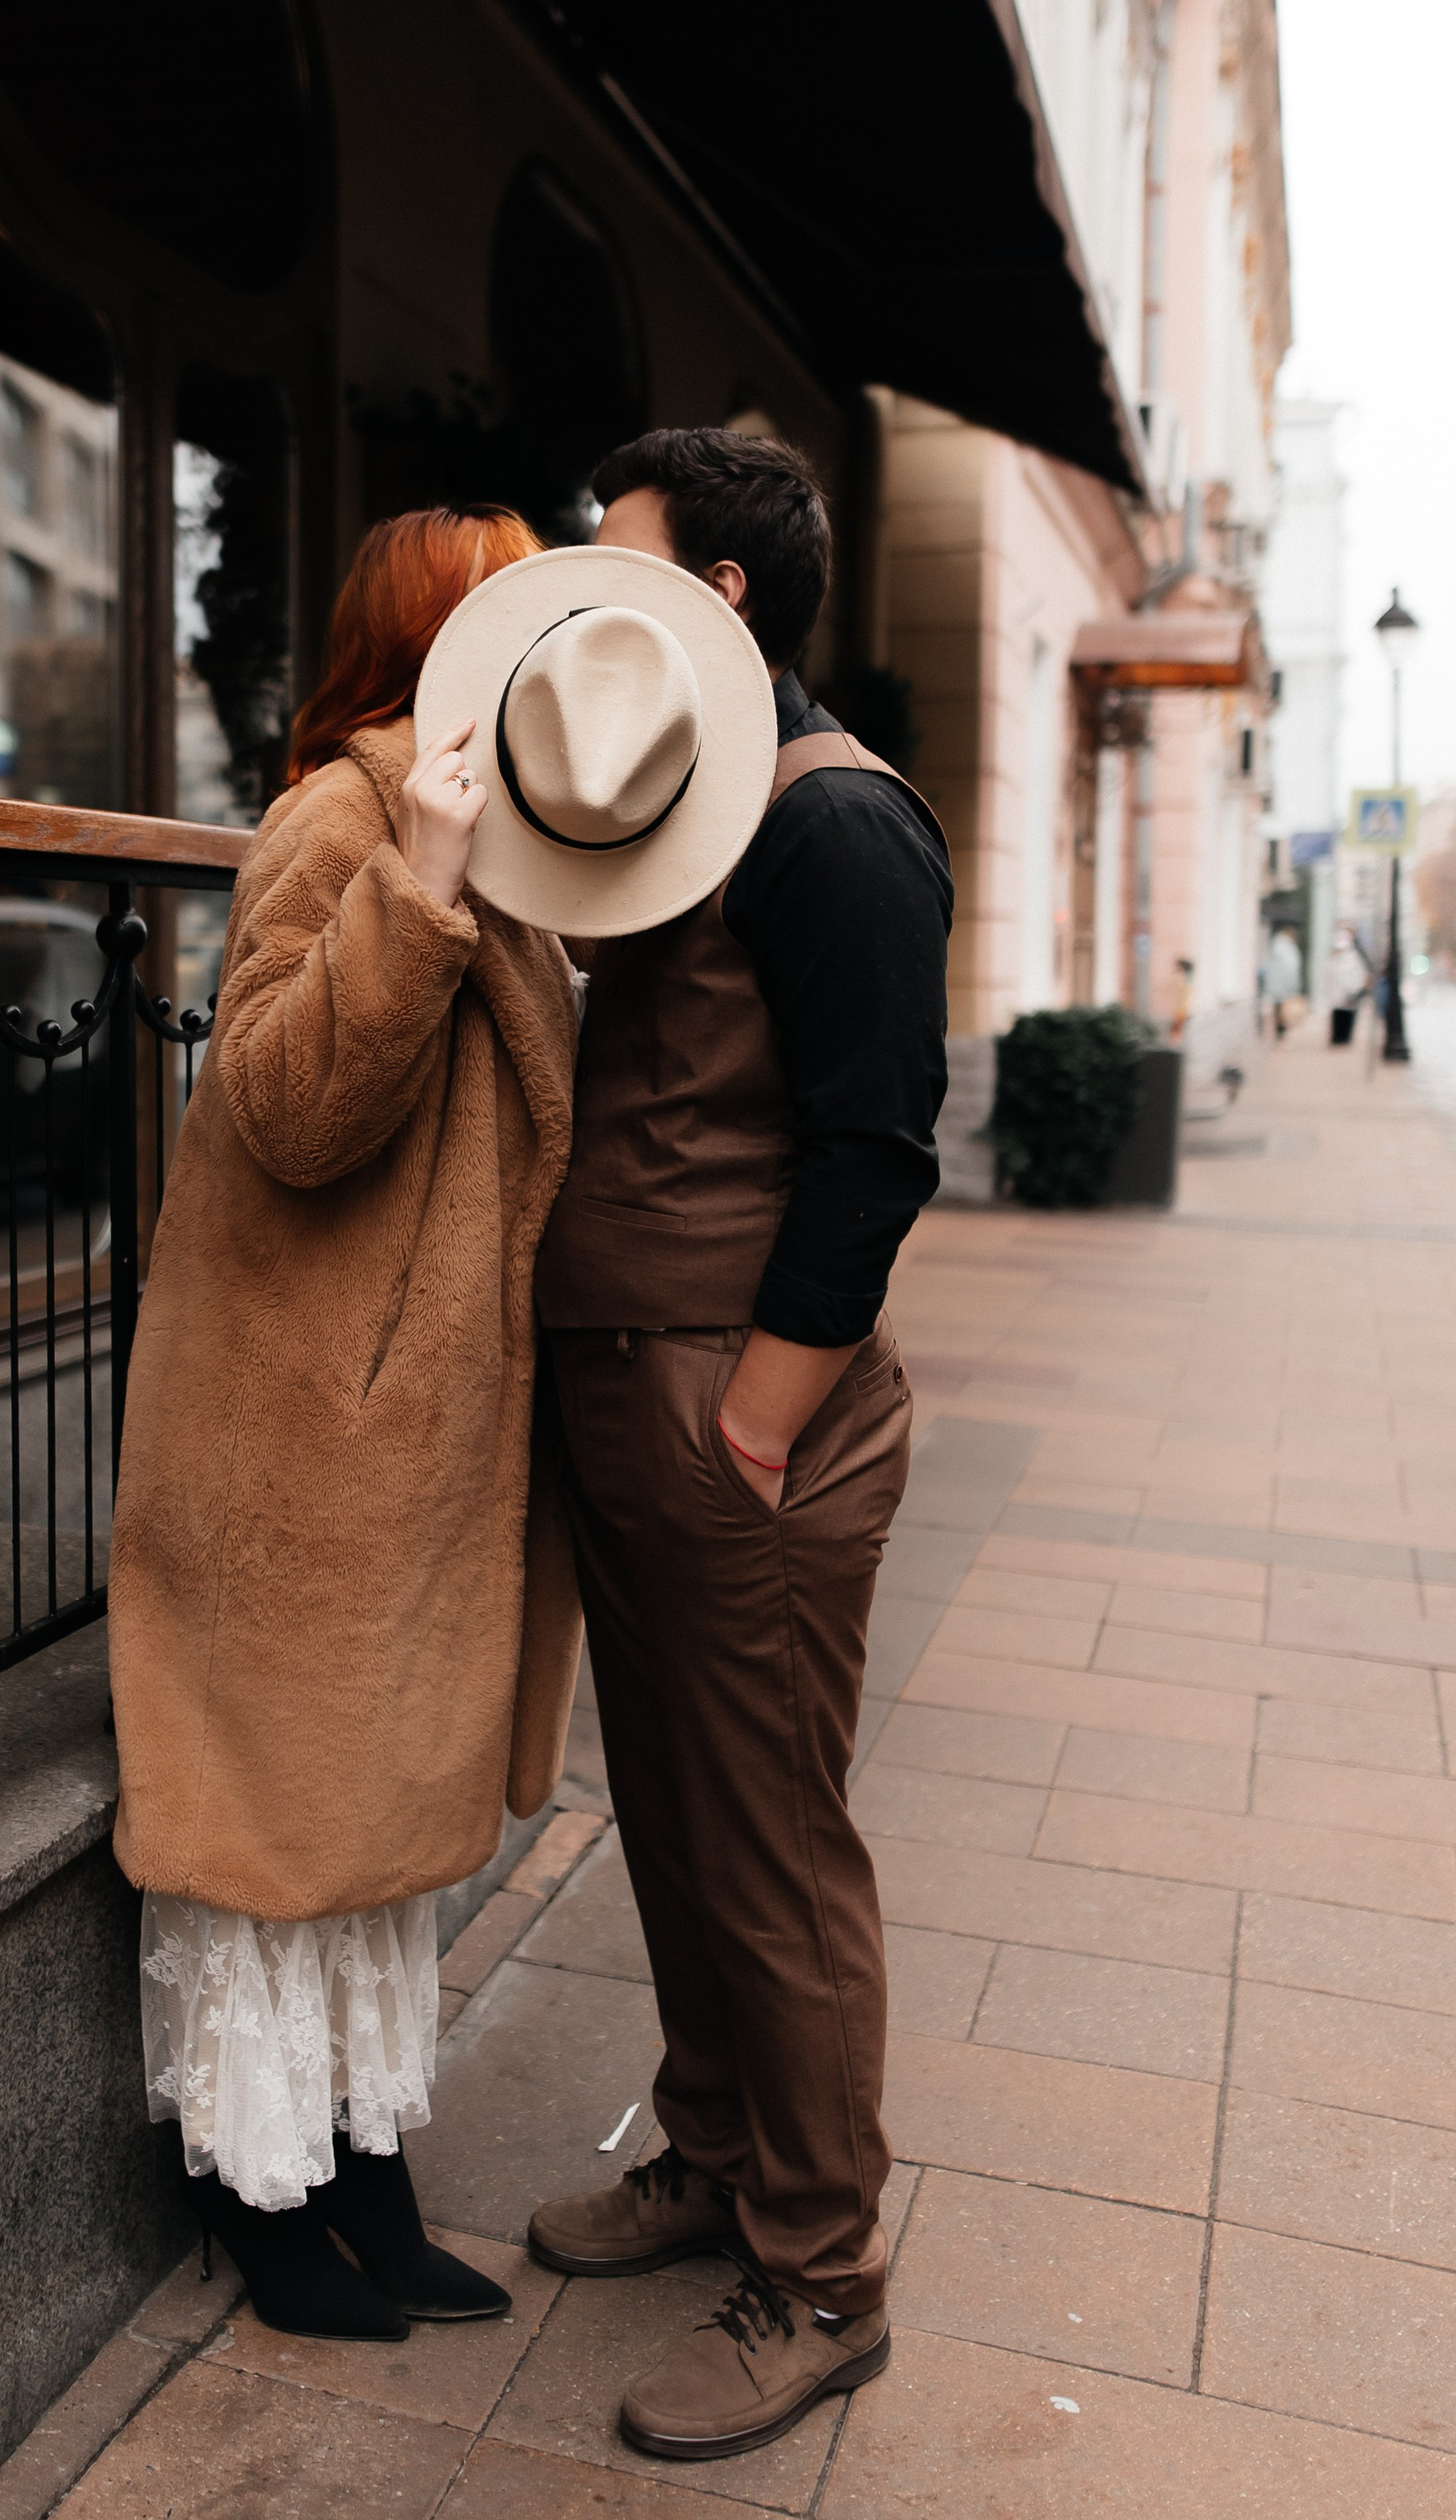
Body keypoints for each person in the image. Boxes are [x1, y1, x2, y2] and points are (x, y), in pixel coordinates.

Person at [106, 505, 585, 2344]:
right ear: (434, 635)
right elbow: (289, 1106)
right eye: (510, 605)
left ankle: (363, 2175)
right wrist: (421, 883)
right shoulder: (339, 815)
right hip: (301, 1434)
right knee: (272, 1841)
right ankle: (253, 2196)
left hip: (407, 1438)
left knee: (366, 1842)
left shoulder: (487, 835)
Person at [521, 428, 953, 2464]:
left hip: (734, 1414)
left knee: (769, 1850)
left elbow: (873, 1156)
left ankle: (824, 2277)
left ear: (728, 599)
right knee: (681, 1820)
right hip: (642, 1390)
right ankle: (710, 2152)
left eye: (621, 567)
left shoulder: (833, 823)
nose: (588, 602)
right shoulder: (683, 795)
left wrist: (753, 1423)